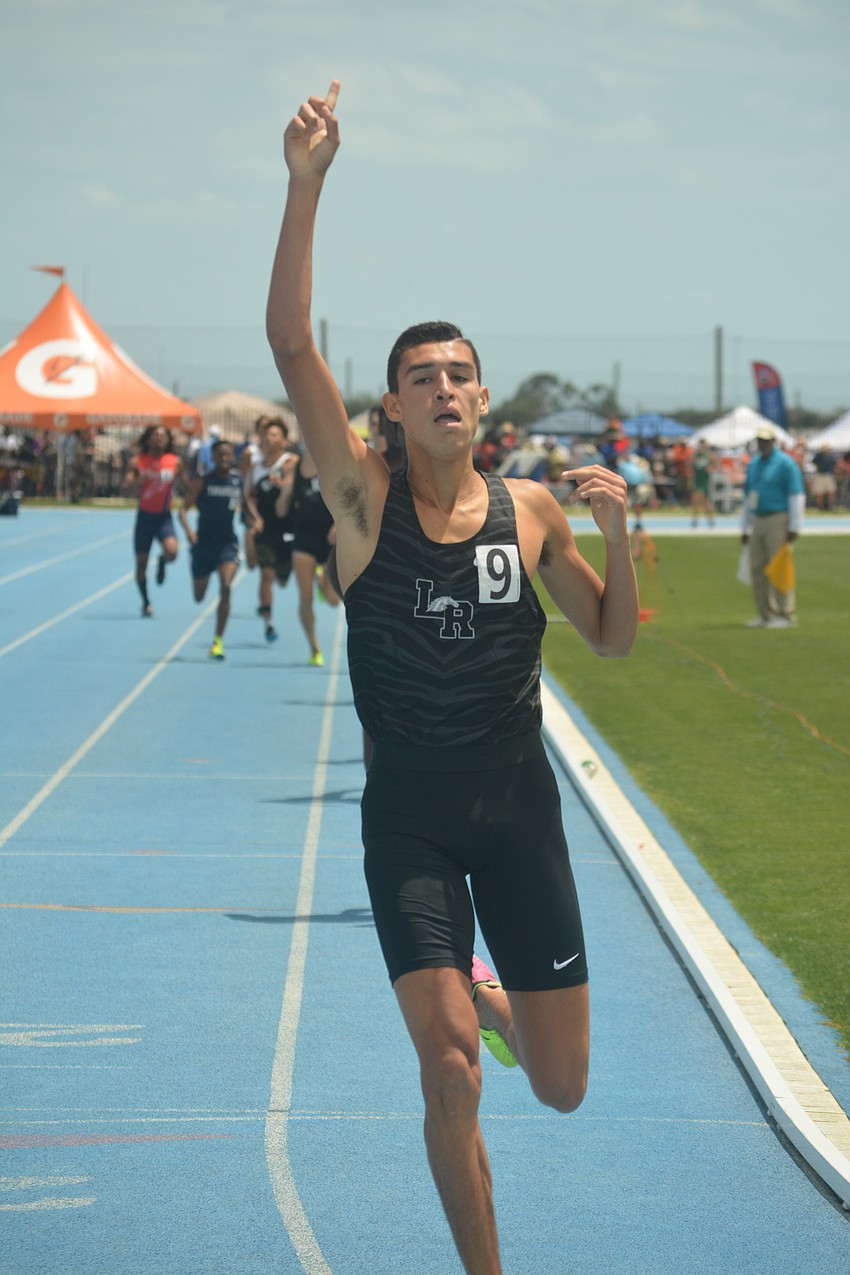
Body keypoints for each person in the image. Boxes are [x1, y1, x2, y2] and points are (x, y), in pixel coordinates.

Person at [266, 81, 638, 1275]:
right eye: (420, 374)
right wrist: (306, 185)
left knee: (565, 1089)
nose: (441, 386)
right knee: (447, 1072)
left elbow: (613, 640)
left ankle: (491, 988)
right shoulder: (362, 507)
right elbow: (286, 341)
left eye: (459, 372)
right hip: (411, 825)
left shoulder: (531, 513)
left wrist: (621, 538)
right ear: (391, 404)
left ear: (482, 398)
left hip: (520, 819)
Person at [178, 438, 242, 659]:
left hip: (227, 544)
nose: (225, 458)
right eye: (220, 455)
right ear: (213, 458)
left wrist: (256, 520)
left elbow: (248, 504)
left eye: (228, 454)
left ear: (233, 457)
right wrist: (190, 533)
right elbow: (183, 510)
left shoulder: (237, 480)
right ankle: (196, 572)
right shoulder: (203, 481)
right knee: (199, 596)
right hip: (203, 545)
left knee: (225, 586)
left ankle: (217, 642)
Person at [741, 424, 804, 628]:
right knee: (757, 567)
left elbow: (796, 495)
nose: (762, 444)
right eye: (760, 440)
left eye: (766, 440)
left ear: (774, 442)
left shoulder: (786, 464)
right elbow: (748, 497)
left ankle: (785, 614)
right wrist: (745, 527)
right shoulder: (754, 463)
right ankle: (766, 613)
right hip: (758, 518)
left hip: (778, 517)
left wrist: (795, 525)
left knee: (778, 567)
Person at [243, 419, 298, 642]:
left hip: (287, 528)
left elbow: (296, 486)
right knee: (266, 574)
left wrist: (283, 485)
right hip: (265, 529)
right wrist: (255, 518)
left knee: (282, 580)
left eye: (274, 435)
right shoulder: (256, 468)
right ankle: (268, 620)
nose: (268, 438)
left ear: (283, 440)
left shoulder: (291, 462)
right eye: (266, 434)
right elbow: (247, 496)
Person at [123, 425, 183, 617]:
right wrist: (139, 480)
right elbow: (125, 487)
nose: (159, 439)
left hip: (164, 517)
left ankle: (162, 561)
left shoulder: (174, 461)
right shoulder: (138, 461)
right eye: (155, 436)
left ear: (168, 440)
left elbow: (189, 485)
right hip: (144, 518)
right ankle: (146, 602)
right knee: (140, 567)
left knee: (173, 552)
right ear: (148, 439)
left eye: (163, 436)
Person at [289, 448, 341, 666]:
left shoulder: (335, 460)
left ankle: (322, 580)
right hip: (303, 538)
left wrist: (338, 524)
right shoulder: (295, 465)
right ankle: (314, 647)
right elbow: (284, 506)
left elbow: (349, 498)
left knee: (332, 600)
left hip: (329, 540)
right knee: (305, 597)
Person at [690, 438, 715, 527]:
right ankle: (695, 520)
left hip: (705, 481)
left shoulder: (709, 455)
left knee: (705, 502)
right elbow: (691, 467)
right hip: (697, 480)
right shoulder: (696, 456)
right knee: (696, 500)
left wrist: (710, 468)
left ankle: (710, 519)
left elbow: (714, 465)